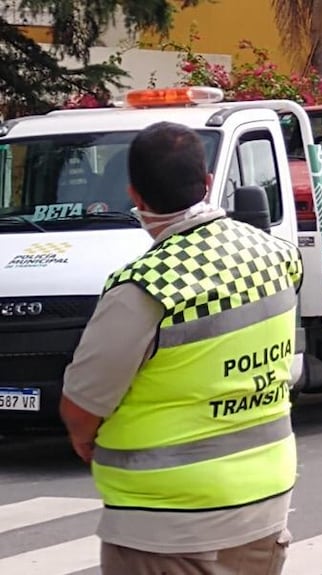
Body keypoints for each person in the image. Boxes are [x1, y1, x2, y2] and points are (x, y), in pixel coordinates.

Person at [59, 121, 303, 575]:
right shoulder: (278, 256)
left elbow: (81, 408)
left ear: (135, 196)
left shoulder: (144, 289)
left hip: (163, 526)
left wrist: (84, 439)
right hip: (263, 503)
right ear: (208, 183)